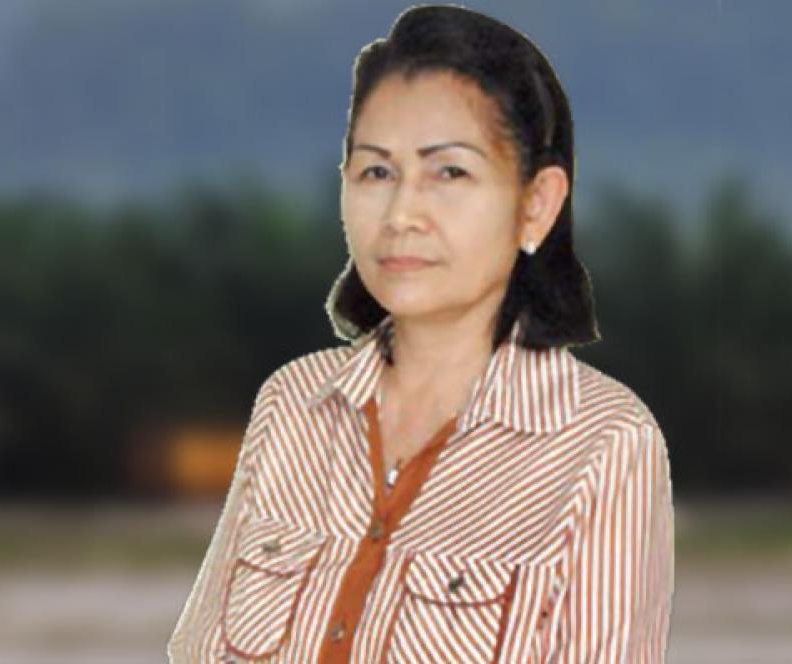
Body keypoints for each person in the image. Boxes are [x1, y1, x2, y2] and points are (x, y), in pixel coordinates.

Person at [168, 5, 674, 663]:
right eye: (376, 171)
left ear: (536, 204)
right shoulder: (291, 405)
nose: (402, 213)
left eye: (449, 172)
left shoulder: (605, 444)